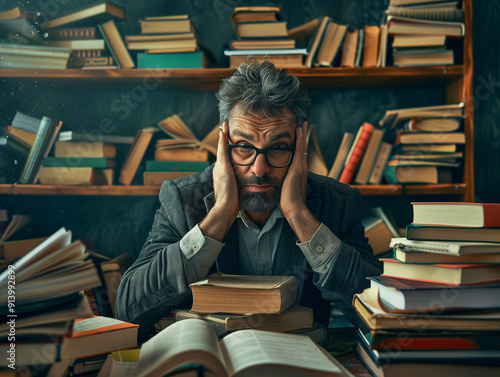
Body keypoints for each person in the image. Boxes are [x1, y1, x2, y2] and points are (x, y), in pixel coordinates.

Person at [116, 61, 382, 340]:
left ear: (300, 146)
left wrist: (300, 216)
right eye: (243, 147)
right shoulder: (183, 200)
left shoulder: (337, 203)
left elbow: (378, 313)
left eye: (278, 148)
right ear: (223, 144)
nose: (259, 169)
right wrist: (219, 215)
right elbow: (128, 310)